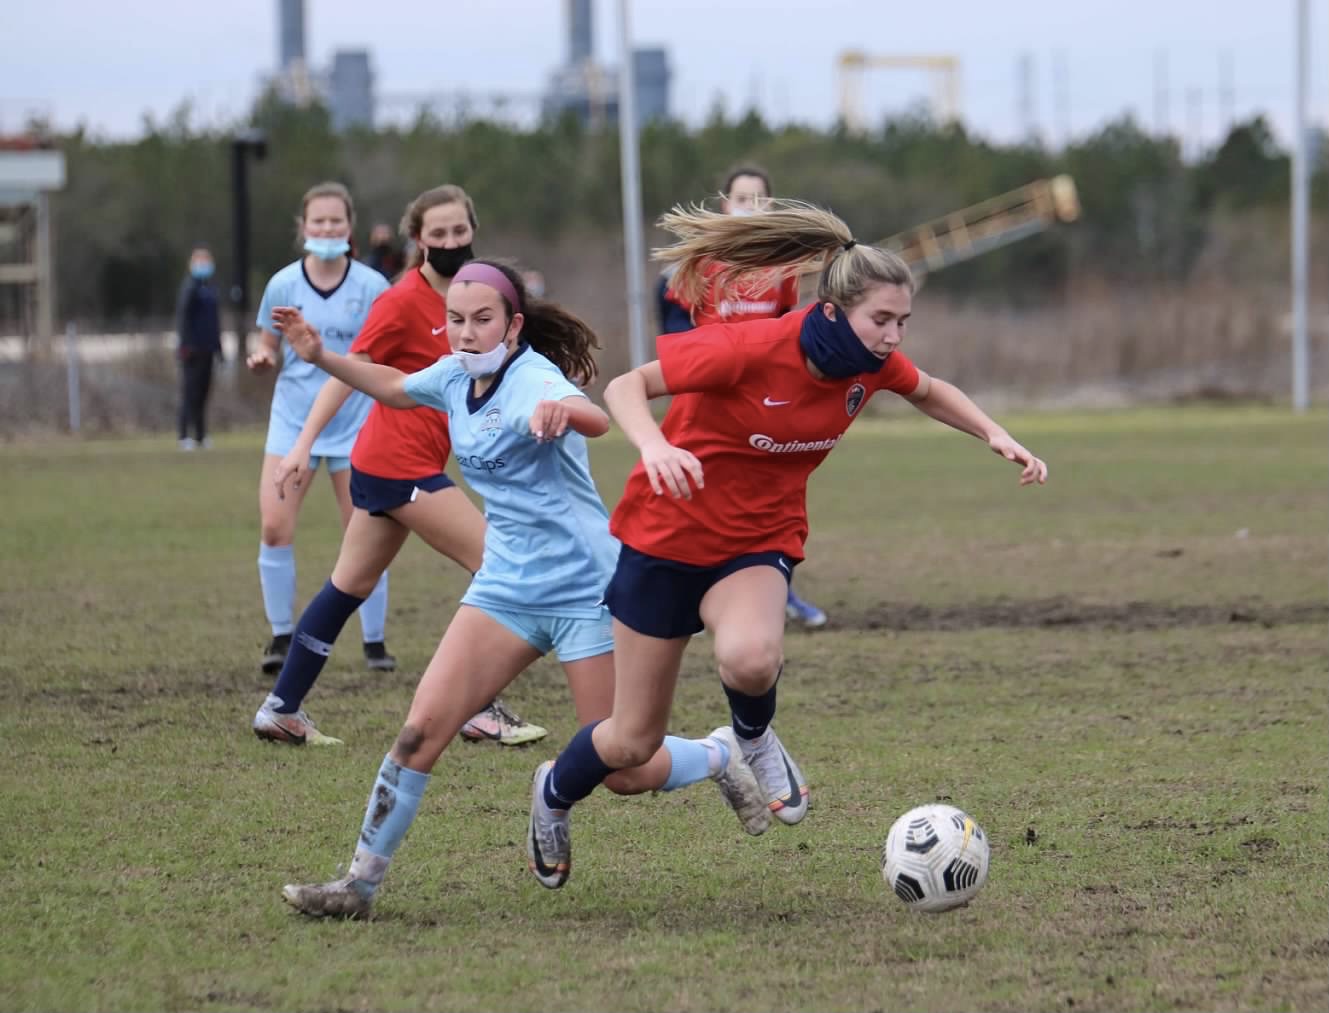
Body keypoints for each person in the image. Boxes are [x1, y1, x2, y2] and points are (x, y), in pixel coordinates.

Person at [525, 200, 1049, 889]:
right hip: (664, 538)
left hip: (755, 541)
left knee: (750, 658)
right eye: (881, 320)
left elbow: (928, 390)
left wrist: (993, 433)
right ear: (833, 311)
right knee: (630, 744)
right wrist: (653, 445)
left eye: (902, 322)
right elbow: (629, 385)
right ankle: (552, 795)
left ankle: (753, 738)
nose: (893, 337)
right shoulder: (750, 347)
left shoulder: (870, 364)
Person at [275, 260, 769, 917]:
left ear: (512, 324)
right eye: (455, 319)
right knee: (420, 731)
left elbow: (593, 417)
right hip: (504, 588)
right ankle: (357, 885)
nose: (467, 332)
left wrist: (559, 410)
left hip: (584, 591)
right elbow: (394, 388)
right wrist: (321, 355)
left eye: (482, 320)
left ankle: (714, 752)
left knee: (623, 767)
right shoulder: (453, 374)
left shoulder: (534, 376)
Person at [252, 186, 546, 748]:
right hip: (396, 466)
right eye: (438, 234)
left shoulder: (481, 295)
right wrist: (302, 445)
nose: (451, 242)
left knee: (348, 585)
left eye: (460, 232)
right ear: (418, 240)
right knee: (499, 562)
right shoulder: (399, 301)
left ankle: (281, 708)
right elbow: (348, 373)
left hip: (391, 465)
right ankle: (476, 706)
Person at [655, 164, 829, 629]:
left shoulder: (784, 269)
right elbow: (675, 334)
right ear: (723, 203)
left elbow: (792, 335)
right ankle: (667, 588)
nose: (749, 206)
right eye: (741, 197)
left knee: (766, 503)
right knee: (689, 495)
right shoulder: (698, 265)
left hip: (765, 405)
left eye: (759, 199)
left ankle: (777, 593)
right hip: (710, 400)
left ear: (772, 206)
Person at [246, 182, 395, 678]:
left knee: (365, 533)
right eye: (318, 222)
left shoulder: (373, 286)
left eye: (336, 221)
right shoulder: (284, 283)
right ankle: (280, 635)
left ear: (349, 229)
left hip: (356, 424)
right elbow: (265, 336)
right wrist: (264, 355)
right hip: (292, 421)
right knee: (274, 525)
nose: (327, 229)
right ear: (303, 228)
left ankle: (374, 643)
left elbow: (388, 350)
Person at [174, 245, 223, 450]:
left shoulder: (210, 288)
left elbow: (214, 323)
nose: (203, 265)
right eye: (199, 261)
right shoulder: (189, 287)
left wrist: (219, 349)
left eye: (206, 261)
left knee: (203, 393)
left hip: (208, 349)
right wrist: (185, 345)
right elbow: (183, 318)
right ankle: (184, 435)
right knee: (190, 392)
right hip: (192, 351)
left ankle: (201, 435)